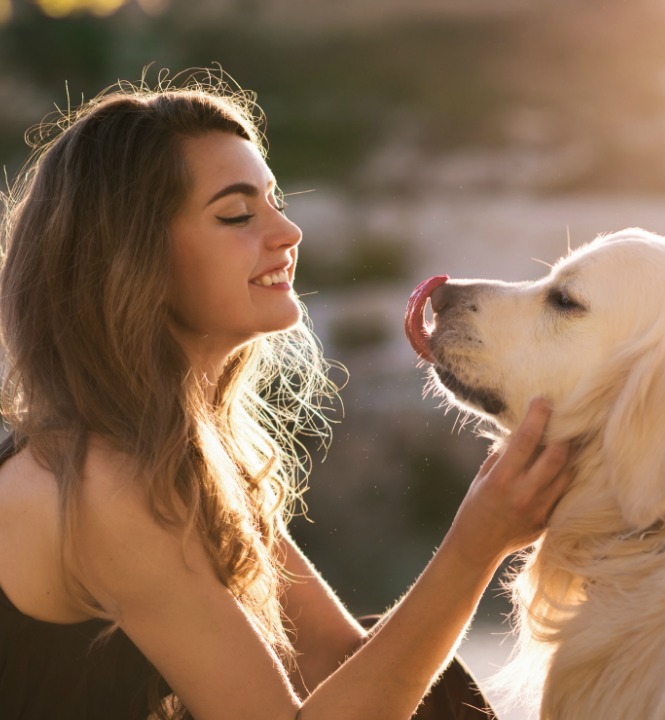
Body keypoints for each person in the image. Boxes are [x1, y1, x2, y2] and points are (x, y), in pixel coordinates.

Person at [0, 70, 570, 720]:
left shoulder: (180, 452)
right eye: (238, 214)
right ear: (133, 261)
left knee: (428, 689)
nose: (287, 233)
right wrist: (476, 545)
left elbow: (335, 661)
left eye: (276, 201)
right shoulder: (101, 484)